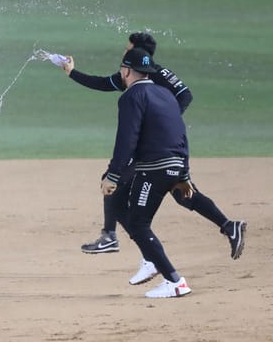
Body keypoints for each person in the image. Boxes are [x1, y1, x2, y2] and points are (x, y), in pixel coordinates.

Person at [58, 32, 246, 283]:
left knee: (117, 185)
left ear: (137, 54)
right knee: (180, 192)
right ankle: (227, 226)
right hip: (170, 147)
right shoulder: (134, 75)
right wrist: (72, 72)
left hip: (156, 146)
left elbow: (185, 95)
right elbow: (103, 83)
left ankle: (116, 239)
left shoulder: (153, 75)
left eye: (127, 48)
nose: (123, 52)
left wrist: (162, 121)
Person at [102, 47, 194, 297]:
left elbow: (126, 140)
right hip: (174, 163)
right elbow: (179, 133)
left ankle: (174, 281)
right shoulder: (165, 94)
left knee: (138, 223)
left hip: (153, 169)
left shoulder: (131, 97)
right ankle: (152, 259)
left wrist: (113, 174)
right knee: (121, 204)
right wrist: (184, 174)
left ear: (126, 71)